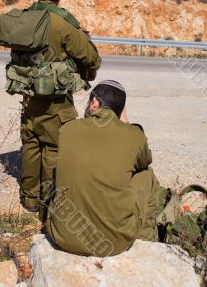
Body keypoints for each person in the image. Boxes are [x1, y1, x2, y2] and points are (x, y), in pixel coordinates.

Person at [18, 0, 101, 217]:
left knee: (31, 143)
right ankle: (48, 202)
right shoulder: (63, 23)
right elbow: (90, 57)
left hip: (29, 95)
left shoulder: (22, 17)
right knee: (54, 147)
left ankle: (30, 198)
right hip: (56, 100)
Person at [46, 80, 159, 257]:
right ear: (120, 111)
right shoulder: (134, 136)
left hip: (62, 235)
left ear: (94, 103)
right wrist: (127, 125)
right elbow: (145, 161)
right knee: (147, 175)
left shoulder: (67, 129)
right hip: (114, 244)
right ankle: (146, 240)